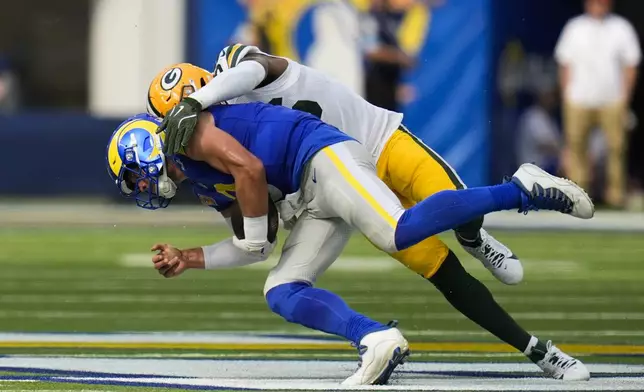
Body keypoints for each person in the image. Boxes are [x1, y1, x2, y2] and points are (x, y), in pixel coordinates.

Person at [107, 104, 593, 383]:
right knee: (282, 288)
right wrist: (189, 259)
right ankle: (374, 338)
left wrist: (255, 235)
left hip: (322, 156)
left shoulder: (188, 136)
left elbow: (251, 170)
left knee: (398, 231)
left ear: (145, 151)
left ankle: (522, 189)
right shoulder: (202, 182)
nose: (141, 188)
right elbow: (257, 244)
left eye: (135, 177)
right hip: (309, 194)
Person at [148, 49, 524, 288]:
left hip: (361, 146)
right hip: (329, 179)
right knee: (413, 248)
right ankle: (376, 338)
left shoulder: (236, 78)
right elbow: (258, 236)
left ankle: (487, 226)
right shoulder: (206, 164)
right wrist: (256, 224)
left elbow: (251, 75)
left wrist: (195, 102)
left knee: (447, 203)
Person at [555, 0, 641, 208]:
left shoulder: (621, 28)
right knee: (576, 147)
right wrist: (566, 95)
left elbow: (631, 64)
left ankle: (615, 197)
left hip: (612, 99)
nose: (598, 5)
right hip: (579, 99)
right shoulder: (574, 27)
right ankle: (578, 197)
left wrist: (624, 97)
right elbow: (564, 63)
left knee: (616, 148)